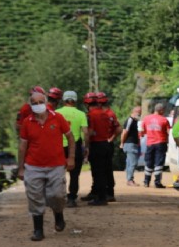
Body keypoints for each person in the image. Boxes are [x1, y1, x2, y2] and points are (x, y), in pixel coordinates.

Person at [17, 91, 75, 241]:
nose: (38, 105)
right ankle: (38, 230)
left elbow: (70, 137)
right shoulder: (27, 122)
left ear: (46, 102)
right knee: (35, 197)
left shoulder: (58, 118)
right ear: (30, 105)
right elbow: (22, 146)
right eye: (34, 103)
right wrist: (21, 167)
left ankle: (58, 214)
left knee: (57, 195)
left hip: (56, 165)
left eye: (40, 102)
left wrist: (71, 158)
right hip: (33, 166)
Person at [56, 90, 89, 208]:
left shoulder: (56, 113)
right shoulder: (81, 114)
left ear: (63, 100)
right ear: (75, 100)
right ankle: (71, 199)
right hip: (75, 147)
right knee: (75, 175)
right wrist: (86, 147)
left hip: (58, 147)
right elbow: (85, 132)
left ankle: (58, 196)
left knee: (57, 174)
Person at [84, 92, 113, 206]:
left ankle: (100, 198)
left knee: (97, 172)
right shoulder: (105, 114)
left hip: (96, 145)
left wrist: (86, 146)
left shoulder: (91, 115)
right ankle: (102, 195)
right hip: (105, 143)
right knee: (104, 171)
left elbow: (90, 132)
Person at [96, 91, 122, 202]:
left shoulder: (108, 114)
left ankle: (109, 192)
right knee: (105, 169)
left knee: (105, 169)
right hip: (105, 143)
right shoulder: (108, 113)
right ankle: (104, 192)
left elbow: (118, 129)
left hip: (105, 144)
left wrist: (110, 139)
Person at [139, 103, 170, 188]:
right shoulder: (164, 120)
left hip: (150, 143)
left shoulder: (146, 119)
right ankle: (157, 182)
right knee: (159, 163)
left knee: (149, 162)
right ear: (161, 110)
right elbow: (169, 132)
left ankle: (146, 181)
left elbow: (142, 132)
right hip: (161, 143)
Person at [120, 106, 142, 186]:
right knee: (133, 163)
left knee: (129, 163)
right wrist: (122, 143)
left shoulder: (134, 121)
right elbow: (124, 132)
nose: (140, 114)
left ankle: (129, 179)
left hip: (131, 144)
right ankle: (130, 180)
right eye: (139, 112)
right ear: (135, 111)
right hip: (130, 144)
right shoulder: (130, 120)